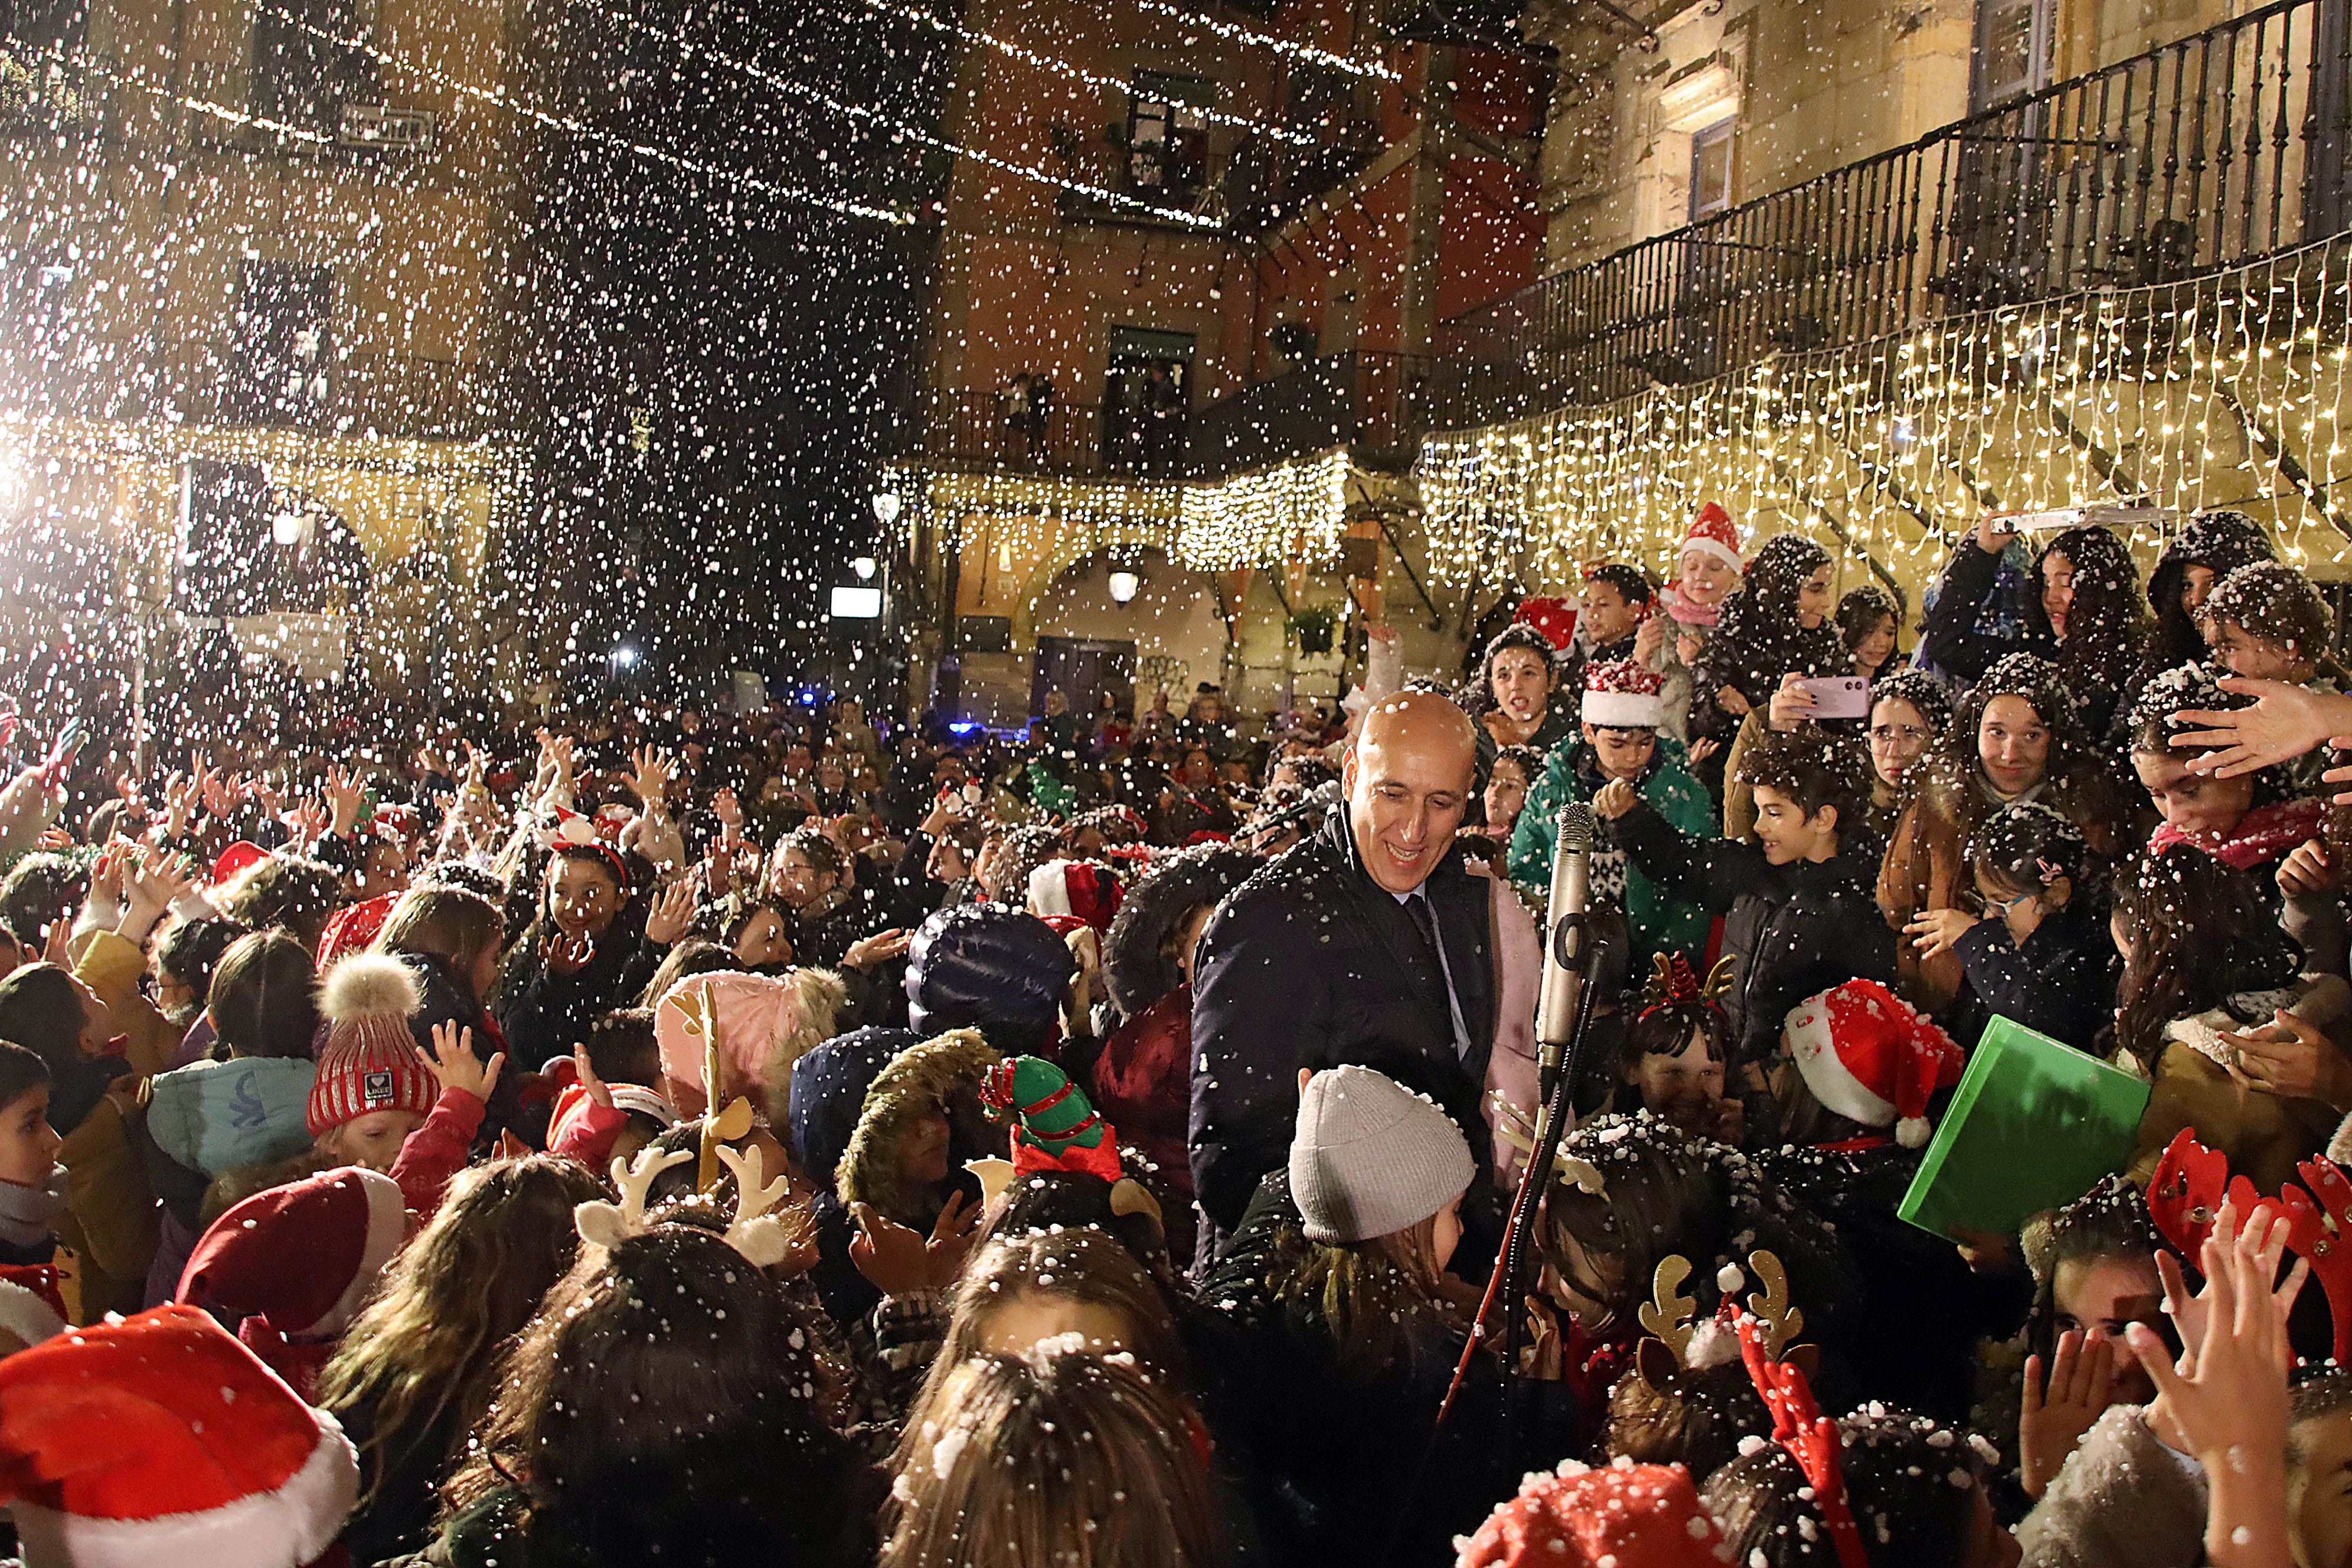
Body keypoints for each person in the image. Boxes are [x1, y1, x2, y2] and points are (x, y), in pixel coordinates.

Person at [1189, 692, 1497, 1252]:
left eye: (1441, 802)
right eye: (1393, 794)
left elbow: (1456, 1095)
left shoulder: (1460, 896)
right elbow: (1233, 1166)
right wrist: (1375, 1268)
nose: (1414, 830)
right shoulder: (1269, 919)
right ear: (1352, 773)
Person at [1599, 724, 1893, 1070]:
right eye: (1758, 811)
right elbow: (1681, 863)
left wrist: (1780, 1073)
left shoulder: (1858, 909)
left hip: (1796, 1088)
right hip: (1736, 1066)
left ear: (1823, 819)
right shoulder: (1755, 871)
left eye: (1774, 813)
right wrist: (1632, 820)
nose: (1759, 826)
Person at [1511, 659, 1714, 976]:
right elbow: (1526, 871)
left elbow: (1698, 892)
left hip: (1655, 965)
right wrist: (1549, 934)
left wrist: (1670, 965)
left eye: (1645, 742)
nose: (1633, 756)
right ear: (1589, 732)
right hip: (1567, 961)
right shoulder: (1553, 789)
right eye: (1617, 744)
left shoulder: (1682, 794)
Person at [1920, 518, 2145, 742]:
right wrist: (1982, 555)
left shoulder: (2140, 663)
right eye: (2046, 583)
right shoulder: (2038, 656)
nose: (2051, 597)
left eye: (2065, 583)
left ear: (2101, 587)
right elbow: (1949, 646)